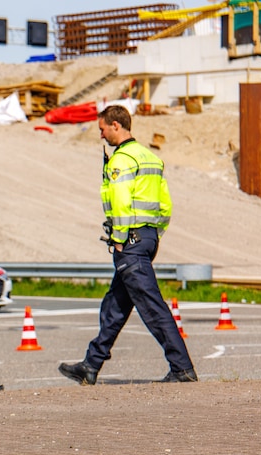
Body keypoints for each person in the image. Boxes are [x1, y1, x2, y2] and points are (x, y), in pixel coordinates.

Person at [58, 105, 197, 385]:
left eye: (102, 129)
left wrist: (121, 239)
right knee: (115, 306)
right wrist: (154, 234)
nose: (101, 135)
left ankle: (182, 369)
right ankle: (90, 365)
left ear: (116, 125)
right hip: (147, 238)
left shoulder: (121, 160)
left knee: (151, 306)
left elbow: (121, 201)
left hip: (130, 242)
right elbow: (165, 204)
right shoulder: (150, 158)